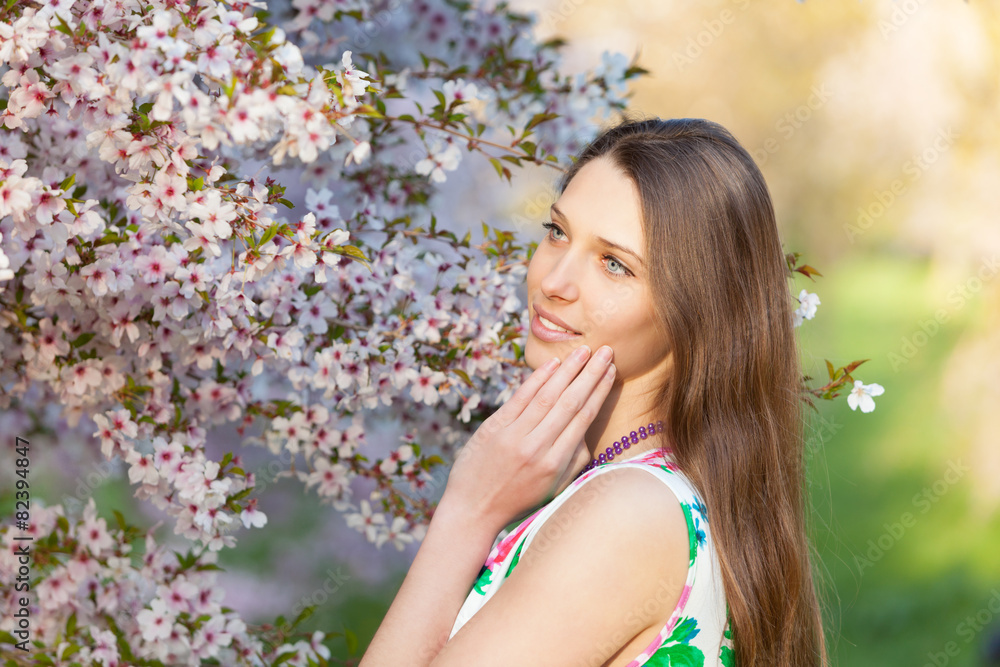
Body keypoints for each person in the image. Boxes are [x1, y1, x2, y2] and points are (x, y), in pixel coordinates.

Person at [359, 117, 828, 666]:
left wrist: (468, 510)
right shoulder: (657, 491)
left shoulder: (625, 515)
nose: (553, 282)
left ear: (695, 312)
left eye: (614, 264)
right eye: (557, 232)